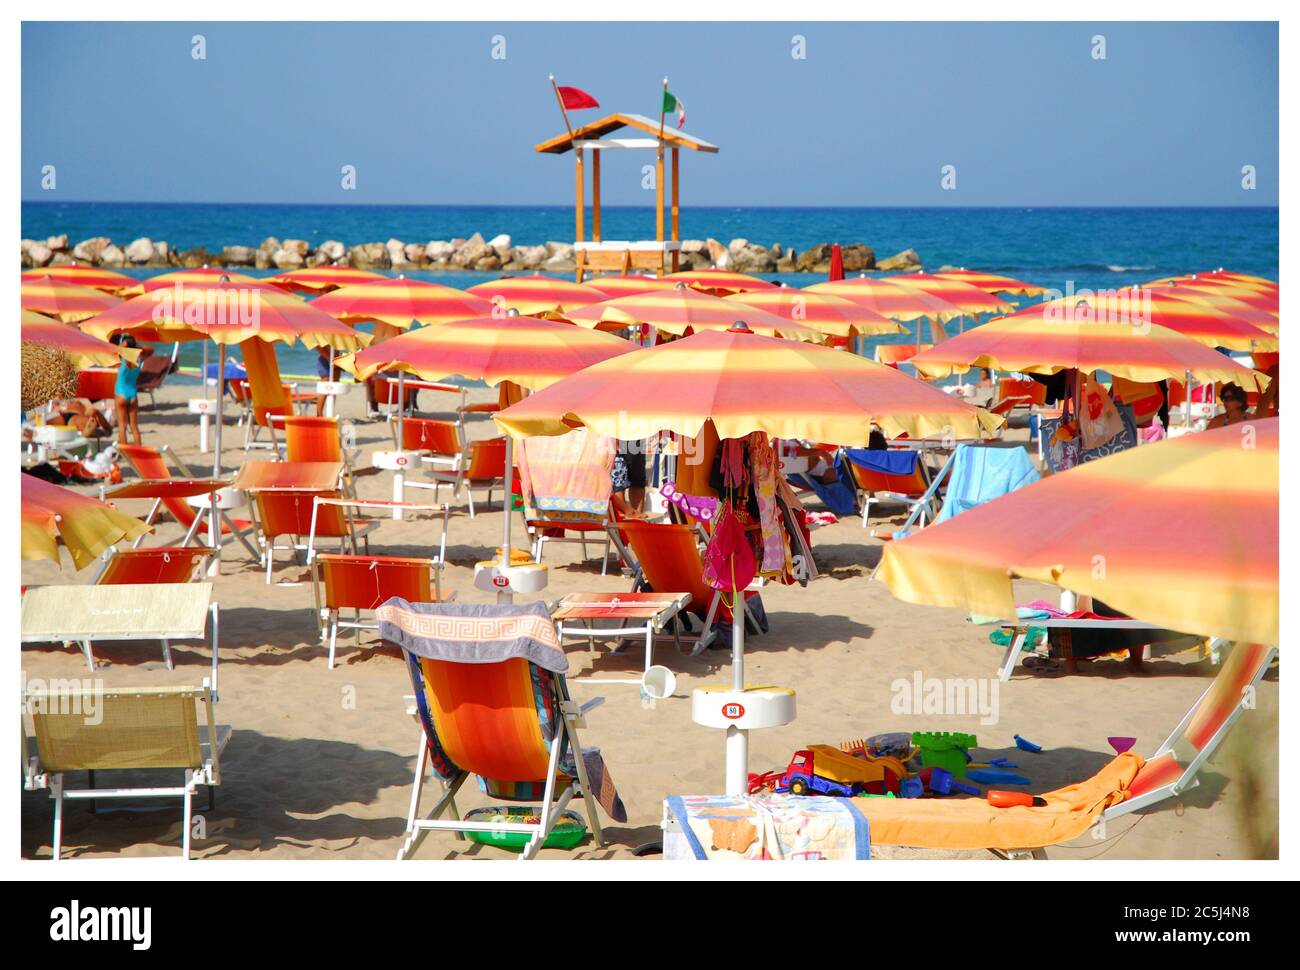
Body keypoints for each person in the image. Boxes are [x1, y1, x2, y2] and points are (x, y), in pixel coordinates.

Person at [111, 334, 152, 446]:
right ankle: (139, 450)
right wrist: (135, 346)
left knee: (122, 427)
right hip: (132, 394)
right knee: (134, 427)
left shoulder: (122, 357)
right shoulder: (139, 358)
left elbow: (111, 350)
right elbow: (151, 349)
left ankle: (126, 452)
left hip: (120, 393)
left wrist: (123, 346)